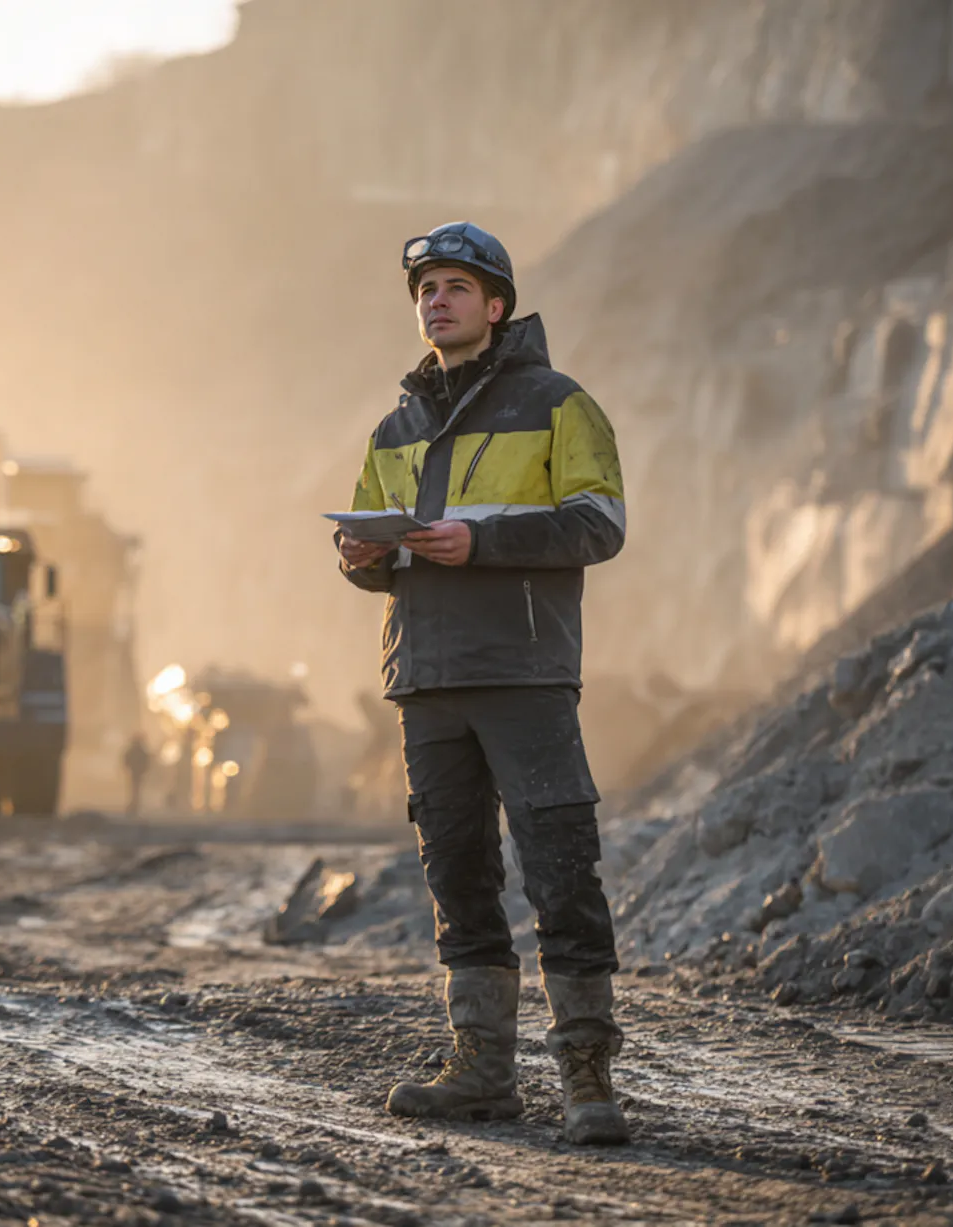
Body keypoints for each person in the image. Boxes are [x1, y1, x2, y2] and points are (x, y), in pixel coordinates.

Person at [335, 221, 630, 1145]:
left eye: (456, 286)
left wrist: (482, 542)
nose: (436, 300)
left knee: (559, 870)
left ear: (496, 306)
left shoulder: (559, 403)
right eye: (425, 288)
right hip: (426, 679)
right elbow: (373, 554)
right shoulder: (394, 429)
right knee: (458, 876)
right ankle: (482, 1070)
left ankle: (588, 1075)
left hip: (526, 673)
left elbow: (599, 524)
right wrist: (357, 556)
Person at [121, 733, 151, 817]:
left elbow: (126, 759)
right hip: (136, 772)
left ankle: (134, 805)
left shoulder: (134, 750)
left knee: (134, 789)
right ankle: (134, 805)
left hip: (135, 772)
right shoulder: (140, 751)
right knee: (136, 789)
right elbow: (146, 761)